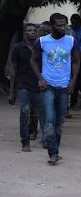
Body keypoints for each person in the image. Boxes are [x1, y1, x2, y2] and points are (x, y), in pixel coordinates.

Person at [30, 13, 81, 165]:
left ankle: (55, 150)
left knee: (59, 122)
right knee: (50, 119)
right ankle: (53, 153)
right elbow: (33, 60)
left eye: (64, 24)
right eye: (59, 25)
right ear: (51, 26)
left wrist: (73, 82)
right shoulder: (42, 41)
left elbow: (76, 62)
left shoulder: (71, 41)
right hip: (48, 86)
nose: (62, 27)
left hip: (64, 87)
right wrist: (40, 79)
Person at [8, 24, 42, 152]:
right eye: (29, 31)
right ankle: (25, 141)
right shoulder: (18, 48)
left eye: (34, 30)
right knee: (25, 111)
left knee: (35, 113)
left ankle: (33, 129)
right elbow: (13, 68)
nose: (32, 33)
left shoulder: (41, 47)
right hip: (23, 85)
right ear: (24, 33)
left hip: (38, 84)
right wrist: (12, 92)